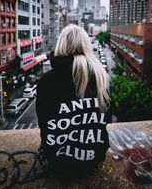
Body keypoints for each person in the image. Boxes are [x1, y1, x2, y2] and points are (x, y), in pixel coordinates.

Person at [36, 24, 113, 177]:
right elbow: (108, 117)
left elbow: (43, 122)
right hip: (94, 159)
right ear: (86, 46)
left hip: (57, 160)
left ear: (61, 45)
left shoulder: (47, 80)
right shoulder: (100, 77)